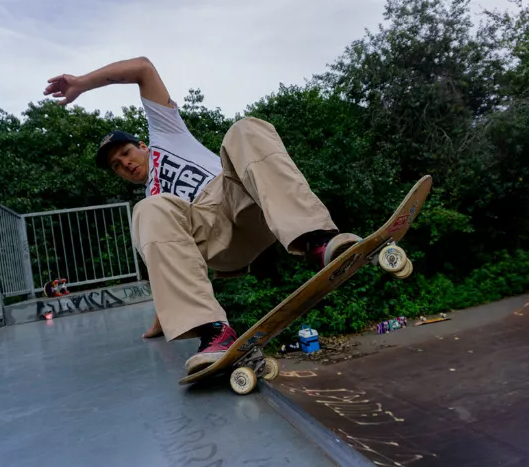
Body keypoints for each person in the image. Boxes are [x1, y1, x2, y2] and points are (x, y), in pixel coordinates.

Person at [42, 57, 361, 374]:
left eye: (125, 153)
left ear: (141, 145)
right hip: (216, 241)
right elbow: (166, 265)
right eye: (116, 165)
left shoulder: (166, 134)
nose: (125, 164)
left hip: (245, 204)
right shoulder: (153, 204)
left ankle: (318, 241)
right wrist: (162, 320)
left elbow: (142, 68)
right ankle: (213, 332)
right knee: (148, 210)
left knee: (244, 129)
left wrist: (83, 83)